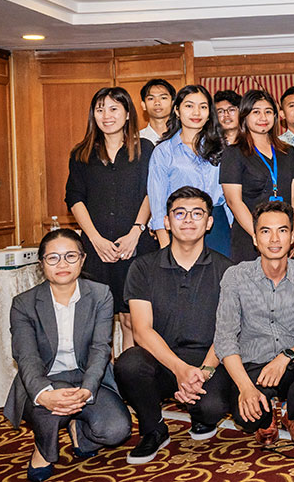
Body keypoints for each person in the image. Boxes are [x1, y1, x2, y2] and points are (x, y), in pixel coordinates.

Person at [115, 187, 234, 464]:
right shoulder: (143, 268)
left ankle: (201, 413)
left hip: (208, 361)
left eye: (197, 214)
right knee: (128, 363)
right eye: (179, 214)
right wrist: (180, 370)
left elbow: (228, 331)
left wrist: (201, 373)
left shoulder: (228, 270)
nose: (188, 220)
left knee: (212, 408)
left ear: (209, 222)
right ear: (166, 222)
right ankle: (153, 429)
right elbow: (142, 331)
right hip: (161, 358)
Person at [6, 229, 131, 482]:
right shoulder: (24, 303)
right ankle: (43, 450)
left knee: (116, 430)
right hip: (46, 378)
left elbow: (100, 349)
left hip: (86, 376)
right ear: (41, 263)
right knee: (48, 409)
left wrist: (87, 389)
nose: (62, 264)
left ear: (83, 260)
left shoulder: (100, 294)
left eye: (70, 256)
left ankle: (79, 428)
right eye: (53, 258)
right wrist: (46, 394)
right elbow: (27, 357)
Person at [213, 201, 294, 445]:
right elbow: (224, 339)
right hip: (253, 366)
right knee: (248, 420)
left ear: (292, 238)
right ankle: (267, 420)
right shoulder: (235, 276)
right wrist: (245, 387)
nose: (274, 239)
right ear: (255, 239)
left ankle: (289, 413)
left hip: (290, 363)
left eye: (283, 230)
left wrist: (284, 357)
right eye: (266, 231)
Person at [66, 86, 156, 352]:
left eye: (114, 108)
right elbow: (74, 198)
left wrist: (136, 232)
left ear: (128, 113)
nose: (106, 115)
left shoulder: (145, 149)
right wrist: (95, 240)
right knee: (98, 320)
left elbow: (153, 192)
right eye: (100, 109)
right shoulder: (82, 153)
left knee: (132, 320)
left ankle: (128, 382)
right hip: (97, 248)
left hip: (136, 245)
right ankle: (103, 385)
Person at [220, 90, 294, 263]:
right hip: (249, 239)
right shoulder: (233, 153)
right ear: (245, 116)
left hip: (285, 238)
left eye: (268, 112)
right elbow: (233, 201)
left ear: (275, 116)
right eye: (256, 112)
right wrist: (260, 236)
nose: (263, 117)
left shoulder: (288, 152)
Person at [148, 84, 231, 256]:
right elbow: (157, 205)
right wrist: (165, 248)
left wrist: (231, 226)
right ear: (177, 110)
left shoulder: (223, 148)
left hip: (217, 224)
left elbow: (230, 196)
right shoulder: (163, 152)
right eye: (189, 106)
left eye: (203, 107)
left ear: (209, 113)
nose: (196, 112)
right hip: (180, 223)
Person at [139, 79, 175, 145]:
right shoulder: (136, 139)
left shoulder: (182, 136)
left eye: (163, 98)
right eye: (151, 98)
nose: (157, 102)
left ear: (172, 104)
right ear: (144, 105)